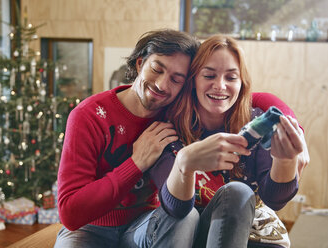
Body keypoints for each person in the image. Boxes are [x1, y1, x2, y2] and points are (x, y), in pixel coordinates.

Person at [55, 29, 307, 248]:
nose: (163, 85)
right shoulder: (91, 116)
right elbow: (69, 213)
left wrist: (290, 126)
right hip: (90, 228)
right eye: (157, 69)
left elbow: (255, 99)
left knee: (186, 216)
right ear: (140, 63)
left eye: (177, 79)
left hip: (148, 222)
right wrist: (136, 163)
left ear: (186, 84)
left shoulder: (173, 110)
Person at [149, 34, 309, 248]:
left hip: (250, 230)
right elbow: (175, 210)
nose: (220, 86)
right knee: (221, 200)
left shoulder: (256, 124)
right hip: (191, 231)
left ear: (242, 84)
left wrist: (285, 161)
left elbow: (275, 200)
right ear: (193, 79)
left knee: (239, 192)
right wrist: (184, 163)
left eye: (231, 78)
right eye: (209, 76)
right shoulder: (168, 129)